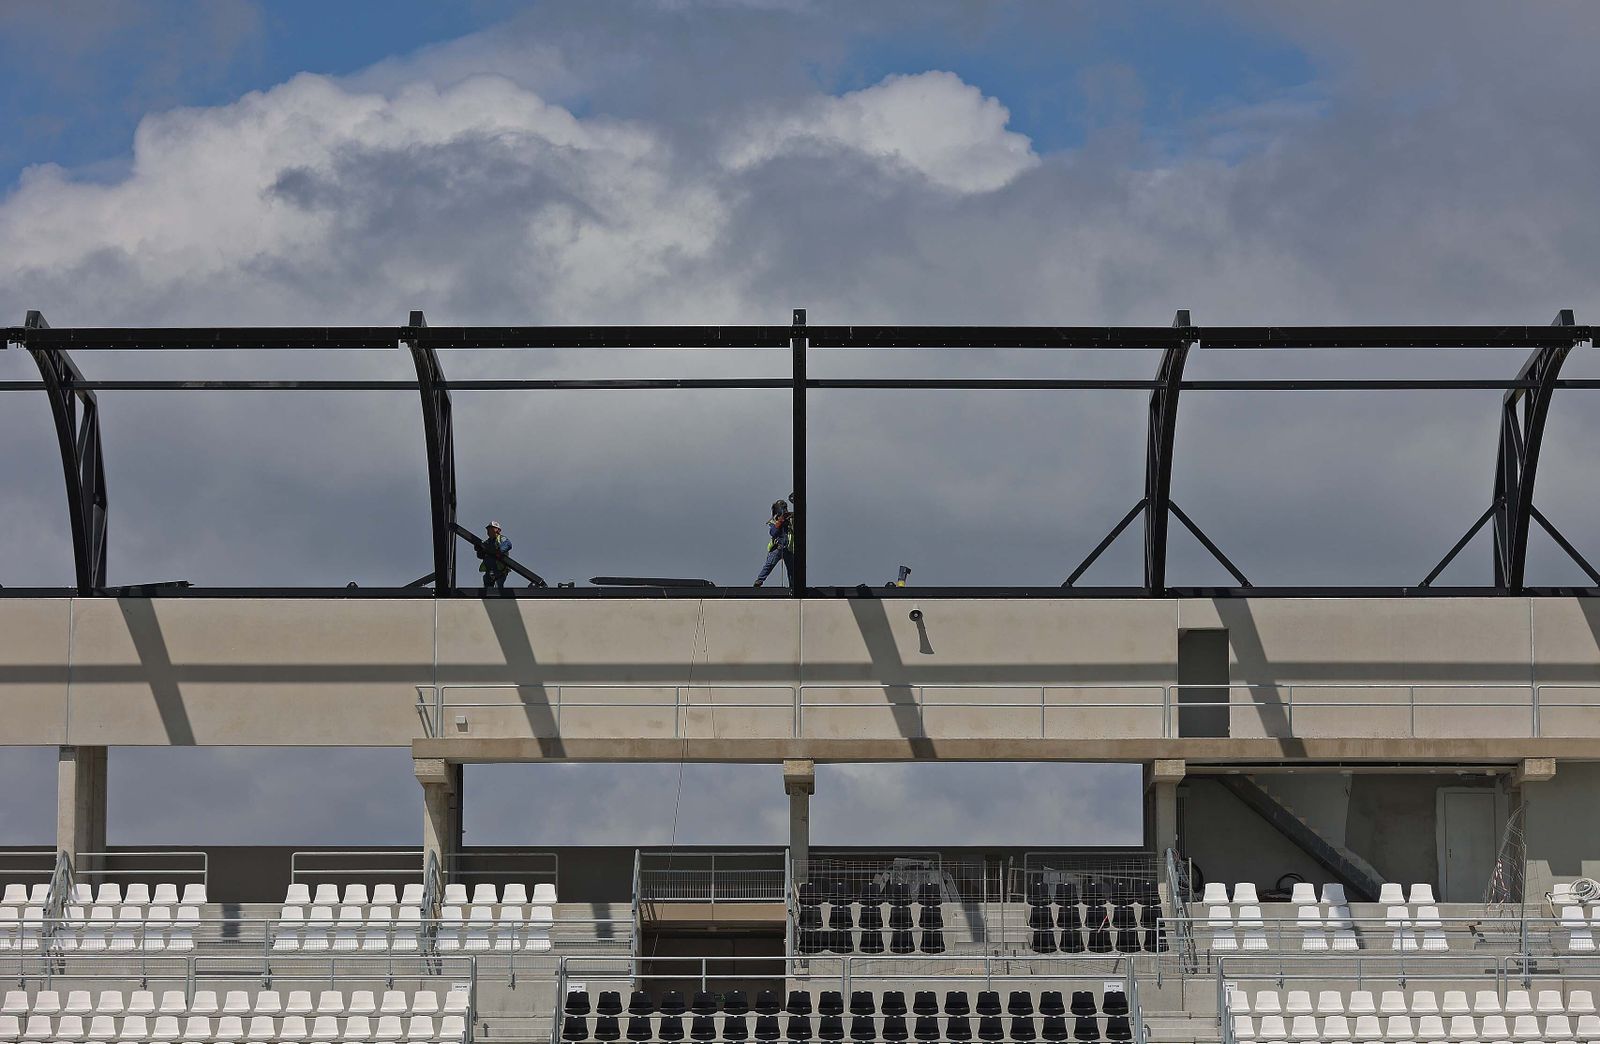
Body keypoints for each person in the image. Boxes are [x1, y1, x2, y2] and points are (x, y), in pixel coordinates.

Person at [754, 499, 795, 587]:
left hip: (788, 549)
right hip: (777, 548)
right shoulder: (774, 521)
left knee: (792, 570)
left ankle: (793, 587)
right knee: (769, 565)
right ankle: (759, 580)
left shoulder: (791, 520)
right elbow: (773, 532)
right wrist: (780, 521)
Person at [478, 521, 513, 592]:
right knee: (487, 588)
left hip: (500, 570)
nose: (489, 530)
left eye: (491, 528)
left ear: (498, 530)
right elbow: (481, 555)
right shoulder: (487, 542)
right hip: (489, 570)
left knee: (498, 589)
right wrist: (479, 550)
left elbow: (508, 544)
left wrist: (498, 551)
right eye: (488, 529)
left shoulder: (501, 539)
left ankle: (498, 601)